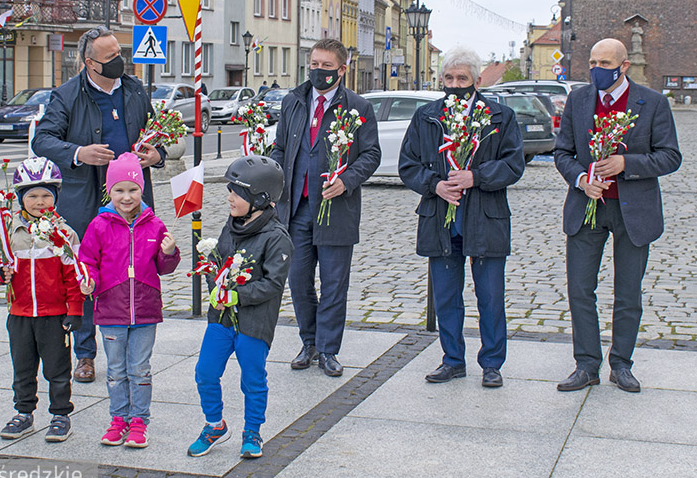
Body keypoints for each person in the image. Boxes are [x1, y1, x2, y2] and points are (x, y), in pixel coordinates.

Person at [32, 25, 167, 384]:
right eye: (110, 58)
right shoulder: (66, 95)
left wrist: (157, 154)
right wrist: (79, 153)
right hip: (87, 198)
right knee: (87, 274)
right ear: (90, 63)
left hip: (131, 199)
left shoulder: (136, 90)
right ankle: (86, 354)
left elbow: (159, 134)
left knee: (131, 269)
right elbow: (42, 140)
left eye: (119, 54)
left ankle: (130, 349)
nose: (118, 62)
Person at [554, 38, 681, 393]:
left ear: (623, 66)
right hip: (587, 209)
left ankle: (622, 364)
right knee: (580, 289)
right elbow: (563, 152)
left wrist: (628, 164)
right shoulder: (578, 100)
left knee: (628, 292)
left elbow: (670, 156)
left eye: (605, 63)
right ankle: (586, 365)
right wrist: (581, 180)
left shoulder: (652, 103)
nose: (597, 69)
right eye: (593, 62)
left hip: (633, 211)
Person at [399, 46, 525, 388]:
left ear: (477, 80)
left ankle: (492, 363)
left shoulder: (499, 116)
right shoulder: (427, 115)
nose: (455, 84)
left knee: (490, 296)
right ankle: (452, 359)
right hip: (440, 218)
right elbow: (408, 165)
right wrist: (434, 185)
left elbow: (514, 164)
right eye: (449, 78)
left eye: (462, 78)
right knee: (446, 297)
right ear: (442, 79)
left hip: (485, 217)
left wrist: (476, 177)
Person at [270, 38, 380, 377]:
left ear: (342, 70)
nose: (318, 71)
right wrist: (274, 182)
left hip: (336, 209)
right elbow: (280, 148)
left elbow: (371, 154)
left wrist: (347, 180)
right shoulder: (293, 101)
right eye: (314, 64)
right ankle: (310, 341)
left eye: (326, 67)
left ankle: (329, 350)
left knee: (334, 284)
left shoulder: (358, 107)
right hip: (296, 209)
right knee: (298, 280)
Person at [188, 155, 293, 459]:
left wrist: (238, 296)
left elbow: (273, 284)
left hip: (254, 320)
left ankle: (253, 431)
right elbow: (220, 263)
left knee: (253, 378)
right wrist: (212, 279)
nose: (230, 197)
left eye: (238, 193)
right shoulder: (231, 225)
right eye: (231, 191)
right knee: (205, 371)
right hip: (221, 318)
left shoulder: (277, 238)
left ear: (260, 198)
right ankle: (214, 425)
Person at [78, 153, 180, 448]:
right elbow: (88, 261)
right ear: (109, 191)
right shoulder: (99, 225)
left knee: (140, 368)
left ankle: (139, 420)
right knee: (116, 370)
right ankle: (118, 418)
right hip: (111, 310)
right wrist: (89, 281)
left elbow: (164, 267)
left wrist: (170, 252)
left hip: (146, 311)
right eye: (119, 190)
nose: (126, 197)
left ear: (142, 190)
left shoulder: (155, 224)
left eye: (133, 190)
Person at [0, 157, 84, 443]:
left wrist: (74, 310)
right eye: (32, 195)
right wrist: (3, 272)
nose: (39, 201)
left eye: (46, 195)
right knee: (22, 367)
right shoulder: (10, 232)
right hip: (20, 314)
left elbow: (74, 276)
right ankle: (24, 413)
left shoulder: (64, 234)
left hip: (54, 315)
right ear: (21, 198)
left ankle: (60, 414)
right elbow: (0, 269)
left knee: (57, 369)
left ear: (56, 197)